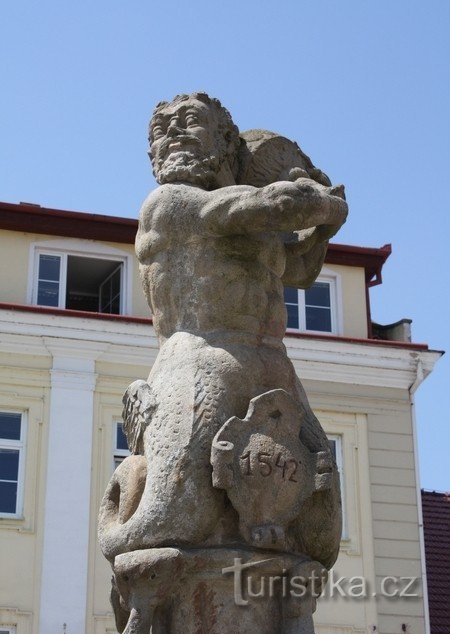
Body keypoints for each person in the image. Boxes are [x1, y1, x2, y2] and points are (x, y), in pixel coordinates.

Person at [98, 93, 347, 563]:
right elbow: (275, 205)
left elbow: (299, 269)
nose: (171, 134)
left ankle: (285, 598)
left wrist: (323, 230)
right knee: (176, 519)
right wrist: (317, 200)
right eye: (160, 130)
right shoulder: (170, 203)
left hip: (274, 367)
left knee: (319, 527)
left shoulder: (244, 223)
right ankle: (145, 591)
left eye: (189, 121)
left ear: (226, 142)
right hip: (202, 360)